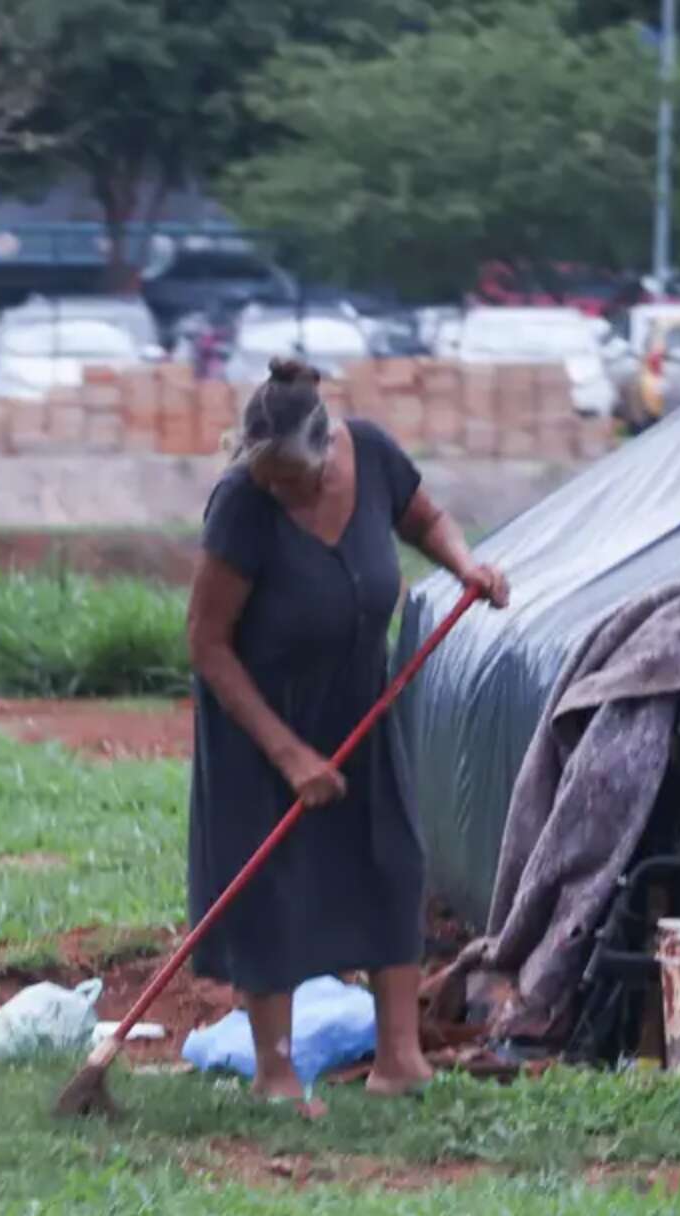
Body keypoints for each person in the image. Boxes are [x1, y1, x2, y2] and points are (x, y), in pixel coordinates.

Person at [185, 358, 510, 1108]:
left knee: (391, 860)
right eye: (267, 480)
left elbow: (423, 518)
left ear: (329, 450)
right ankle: (276, 1074)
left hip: (359, 699)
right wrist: (289, 753)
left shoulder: (373, 453)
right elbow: (206, 642)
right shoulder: (242, 504)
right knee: (273, 885)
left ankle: (401, 1060)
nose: (278, 492)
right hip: (263, 716)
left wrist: (465, 566)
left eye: (291, 481)